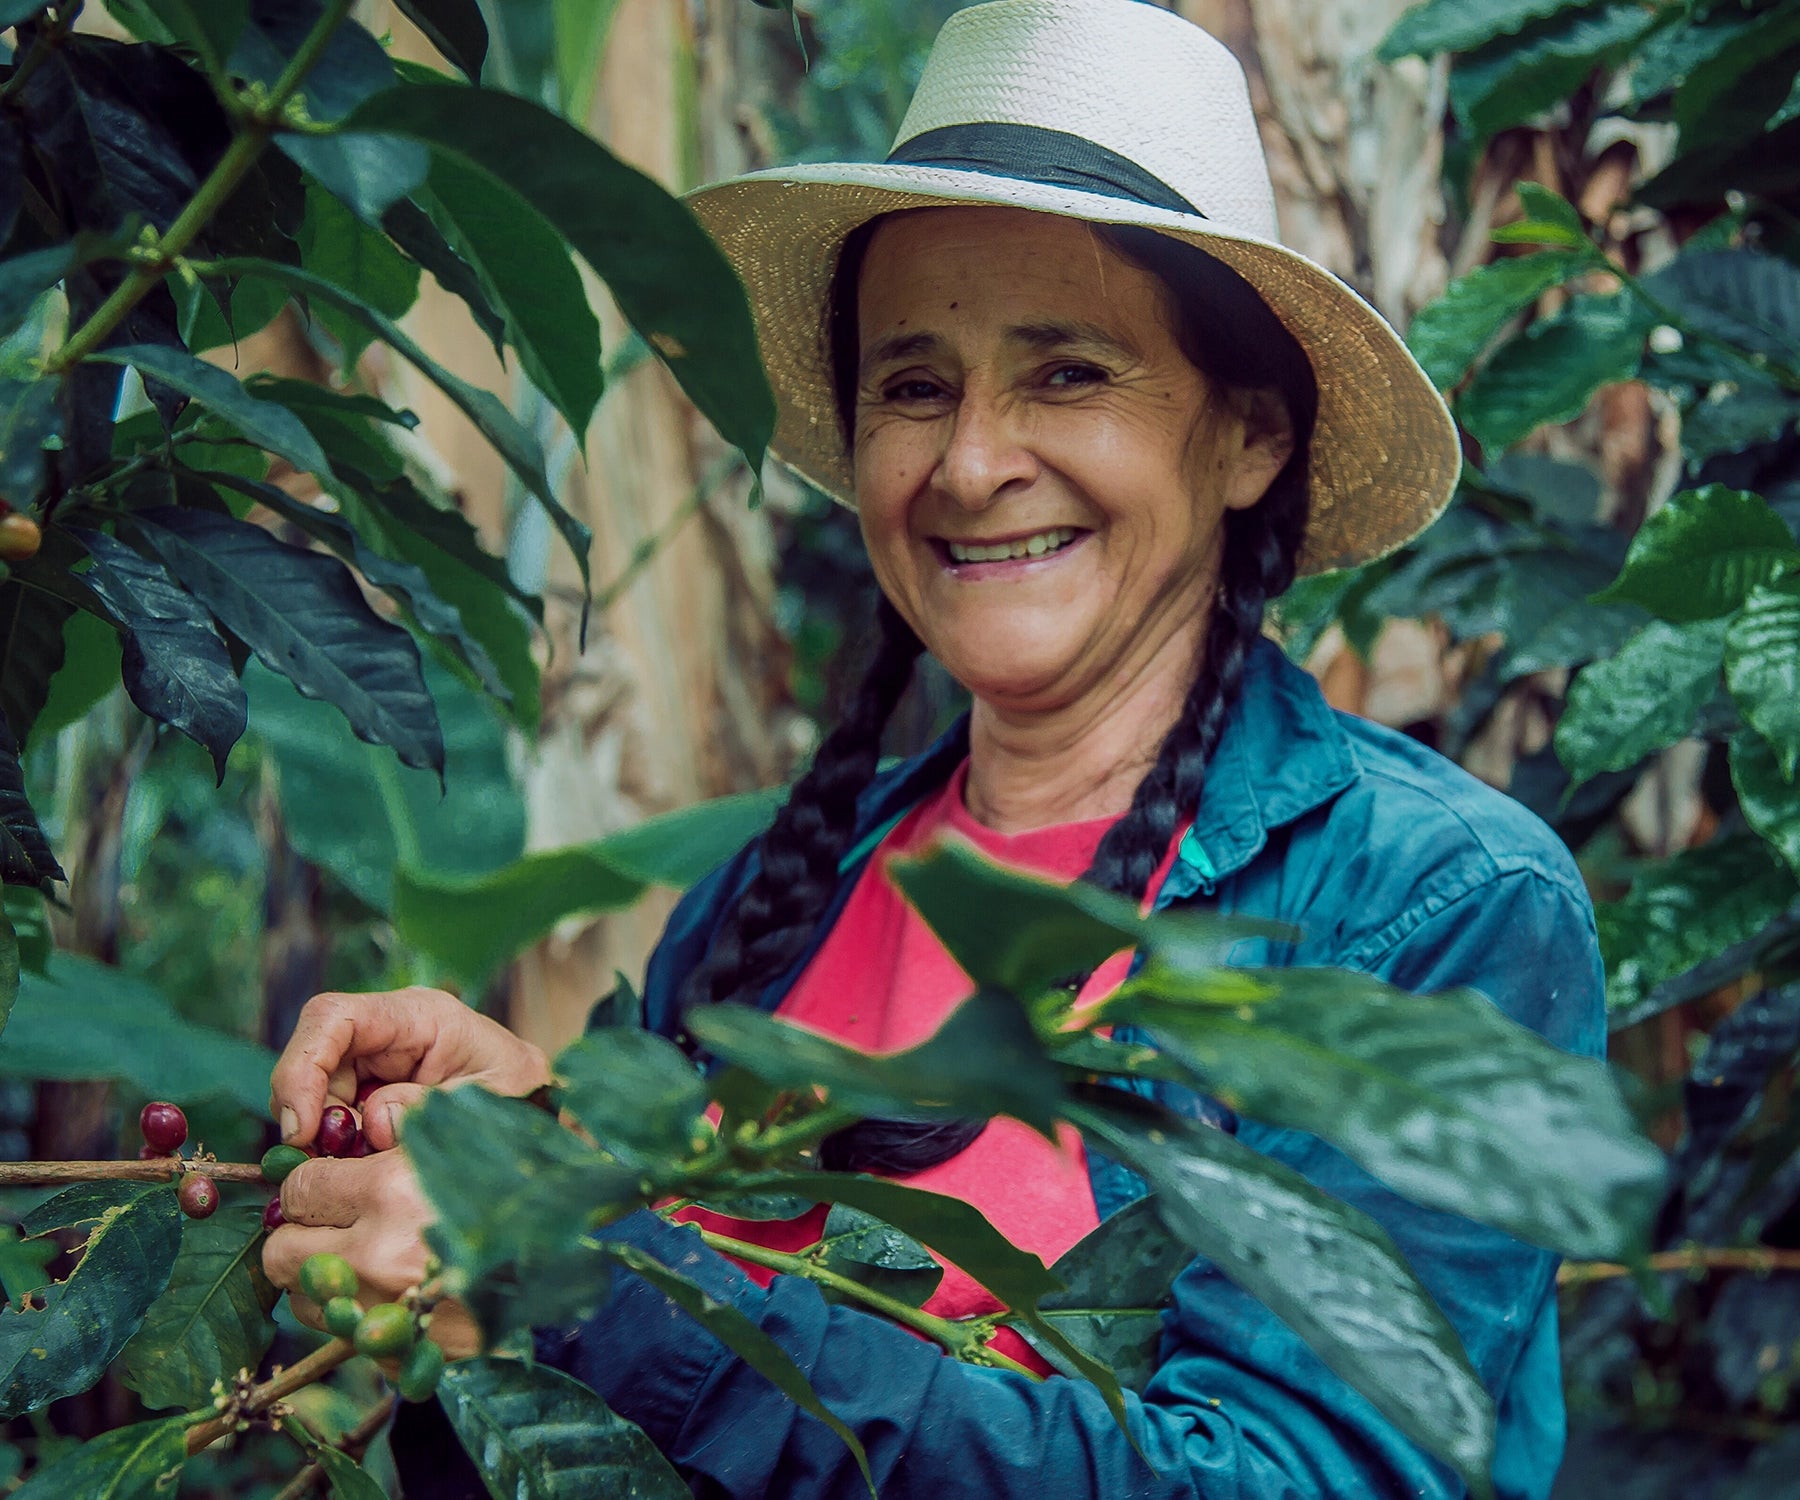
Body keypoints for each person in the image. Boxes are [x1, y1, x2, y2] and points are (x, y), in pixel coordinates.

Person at [262, 1, 1605, 1495]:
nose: (971, 463)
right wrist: (539, 1151)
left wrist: (579, 1277)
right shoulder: (772, 898)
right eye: (914, 386)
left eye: (1070, 372)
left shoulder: (1434, 908)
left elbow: (1275, 1478)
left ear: (1249, 435)